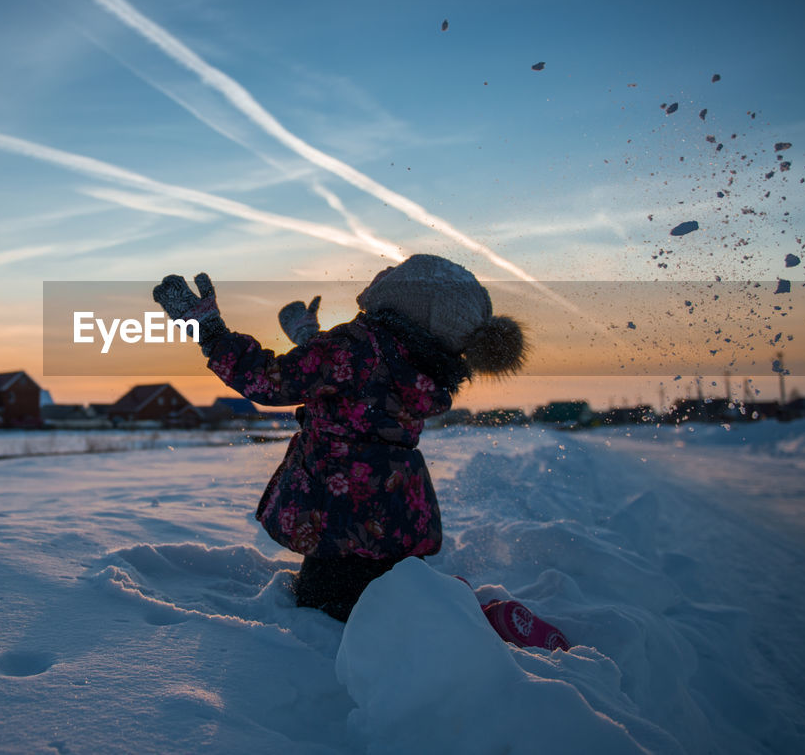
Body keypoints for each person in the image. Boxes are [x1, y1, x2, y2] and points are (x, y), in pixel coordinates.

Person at [153, 254, 569, 650]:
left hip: (342, 511)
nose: (385, 271)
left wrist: (208, 328)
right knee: (388, 583)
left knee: (331, 609)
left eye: (399, 274)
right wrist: (309, 338)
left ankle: (470, 620)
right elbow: (350, 375)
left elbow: (271, 381)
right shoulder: (423, 361)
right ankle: (450, 601)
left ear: (408, 300)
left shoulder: (356, 344)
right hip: (400, 505)